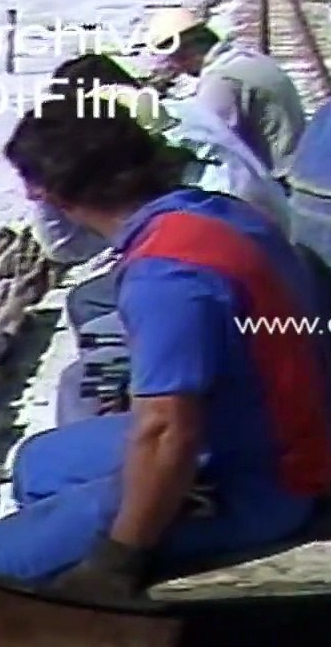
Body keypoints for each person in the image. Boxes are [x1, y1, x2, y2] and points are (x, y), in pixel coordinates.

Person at [0, 92, 331, 596]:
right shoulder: (214, 212)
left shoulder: (166, 276)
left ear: (50, 195)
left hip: (254, 484)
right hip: (276, 435)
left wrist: (117, 560)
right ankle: (56, 543)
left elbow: (167, 433)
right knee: (35, 466)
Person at [32, 53, 294, 425]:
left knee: (91, 313)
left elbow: (67, 248)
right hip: (267, 268)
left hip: (242, 308)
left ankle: (118, 407)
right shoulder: (184, 123)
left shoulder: (184, 221)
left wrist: (45, 193)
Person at [144, 6, 306, 183]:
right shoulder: (245, 57)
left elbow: (216, 146)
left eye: (174, 59)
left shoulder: (220, 80)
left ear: (187, 50)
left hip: (281, 182)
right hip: (299, 165)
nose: (175, 67)